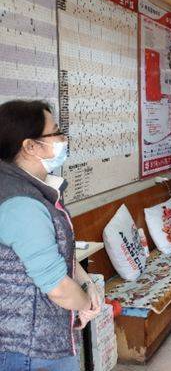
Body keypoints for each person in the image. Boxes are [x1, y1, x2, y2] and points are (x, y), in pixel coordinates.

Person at [0, 100, 101, 371]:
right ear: (30, 146)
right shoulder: (21, 204)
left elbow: (53, 253)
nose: (63, 139)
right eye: (55, 132)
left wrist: (86, 282)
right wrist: (85, 303)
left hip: (43, 341)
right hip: (29, 350)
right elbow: (57, 288)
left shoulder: (33, 187)